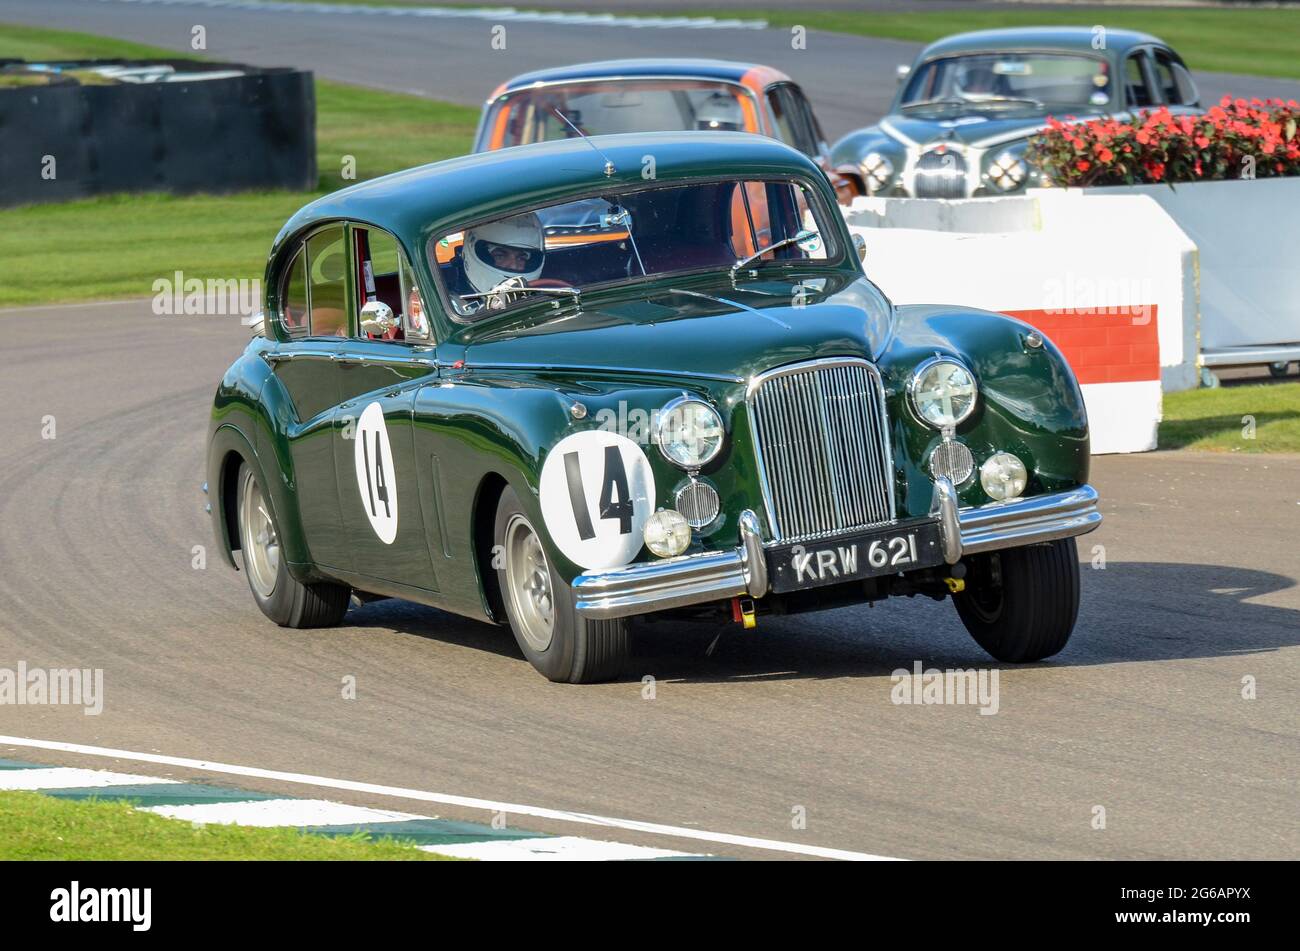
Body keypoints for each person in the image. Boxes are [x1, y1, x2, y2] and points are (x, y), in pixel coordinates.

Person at [443, 212, 546, 313]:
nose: (513, 265)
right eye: (500, 256)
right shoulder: (454, 310)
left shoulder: (548, 295)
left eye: (521, 258)